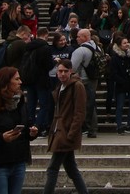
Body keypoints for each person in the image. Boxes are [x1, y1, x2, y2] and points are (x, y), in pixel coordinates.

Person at [43, 59, 89, 194]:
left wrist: (71, 133)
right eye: (60, 71)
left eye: (65, 71)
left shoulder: (77, 86)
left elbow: (79, 112)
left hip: (65, 132)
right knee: (71, 169)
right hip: (59, 130)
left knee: (52, 168)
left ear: (71, 71)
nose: (62, 74)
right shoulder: (60, 87)